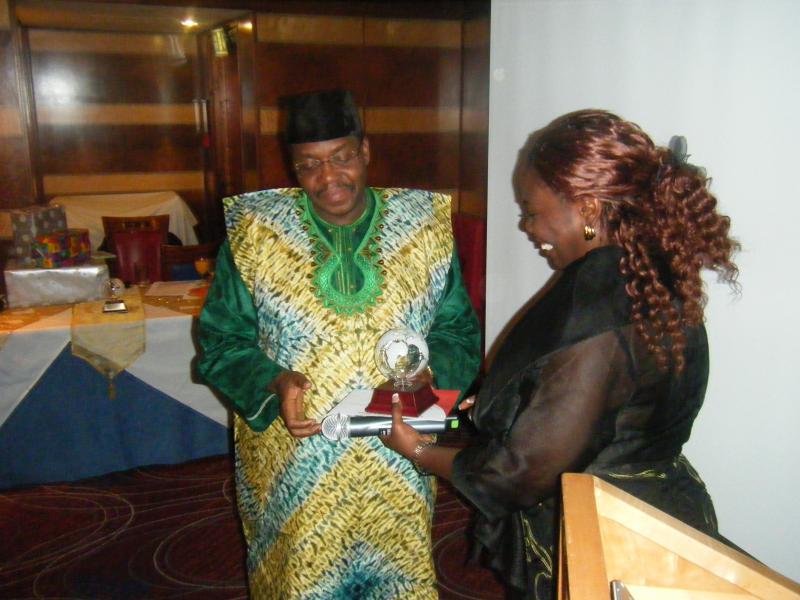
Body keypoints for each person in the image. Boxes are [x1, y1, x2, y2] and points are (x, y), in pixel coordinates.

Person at [381, 109, 740, 599]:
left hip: (606, 536)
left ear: (588, 209)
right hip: (663, 508)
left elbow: (517, 476)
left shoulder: (594, 311)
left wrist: (418, 450)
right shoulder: (650, 270)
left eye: (531, 210)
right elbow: (617, 403)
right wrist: (514, 402)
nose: (527, 226)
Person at [196, 89, 481, 599]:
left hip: (395, 447)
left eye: (342, 158)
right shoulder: (255, 233)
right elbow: (221, 341)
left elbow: (457, 329)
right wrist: (273, 381)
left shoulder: (424, 226)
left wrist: (431, 374)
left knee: (396, 575)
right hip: (296, 456)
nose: (328, 178)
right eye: (309, 165)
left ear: (365, 151)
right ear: (294, 167)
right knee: (302, 579)